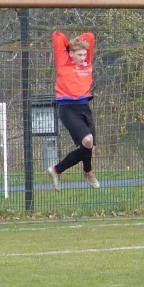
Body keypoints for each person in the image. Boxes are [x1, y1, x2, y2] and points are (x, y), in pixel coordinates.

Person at [47, 30, 100, 191]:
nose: (83, 58)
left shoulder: (87, 63)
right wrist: (72, 45)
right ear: (70, 54)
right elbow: (57, 35)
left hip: (84, 106)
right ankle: (84, 172)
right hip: (68, 107)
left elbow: (90, 36)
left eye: (84, 55)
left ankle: (58, 170)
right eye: (79, 55)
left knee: (91, 147)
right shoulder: (64, 62)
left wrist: (80, 44)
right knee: (88, 141)